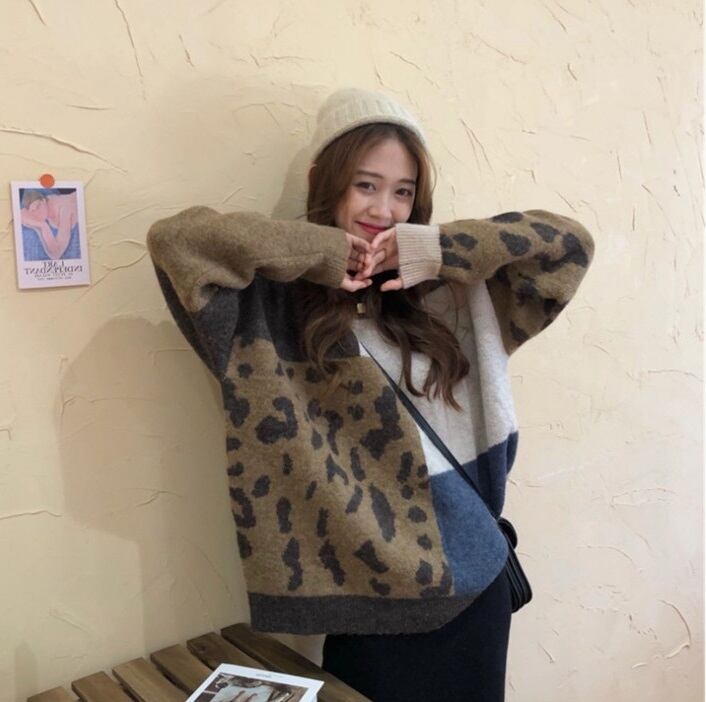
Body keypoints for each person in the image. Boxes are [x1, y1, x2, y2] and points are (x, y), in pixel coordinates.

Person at [146, 88, 595, 701]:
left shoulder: (446, 296)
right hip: (368, 608)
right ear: (322, 181)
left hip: (475, 587)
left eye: (403, 191)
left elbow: (567, 245)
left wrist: (435, 249)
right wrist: (321, 252)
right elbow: (177, 242)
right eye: (365, 185)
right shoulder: (264, 309)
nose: (385, 209)